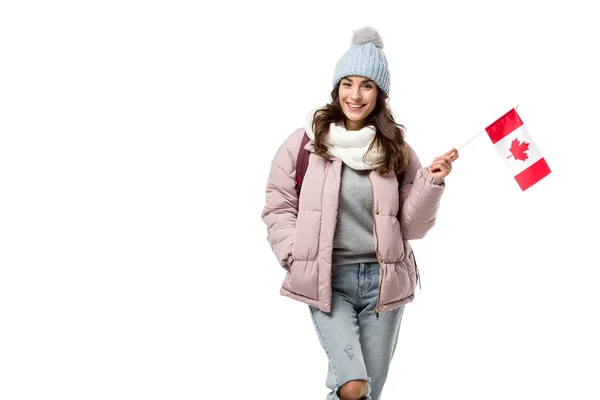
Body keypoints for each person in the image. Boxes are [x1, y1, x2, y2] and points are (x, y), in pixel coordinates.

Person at [261, 26, 458, 400]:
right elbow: (278, 204)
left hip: (383, 284)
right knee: (352, 386)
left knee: (367, 393)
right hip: (328, 282)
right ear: (336, 88)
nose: (355, 94)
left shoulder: (396, 147)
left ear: (379, 93)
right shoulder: (304, 142)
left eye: (366, 85)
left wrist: (430, 183)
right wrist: (294, 254)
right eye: (348, 83)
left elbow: (411, 227)